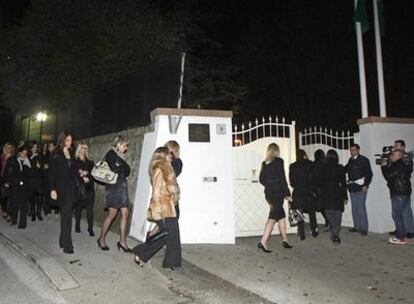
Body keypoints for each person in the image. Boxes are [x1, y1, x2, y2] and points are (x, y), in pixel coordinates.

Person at [132, 147, 181, 270]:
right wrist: (174, 194)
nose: (171, 156)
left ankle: (171, 262)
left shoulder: (160, 168)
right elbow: (161, 191)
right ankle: (140, 252)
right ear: (163, 155)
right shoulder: (163, 168)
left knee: (172, 235)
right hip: (163, 207)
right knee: (168, 234)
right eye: (169, 154)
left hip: (165, 206)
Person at [98, 135, 131, 252]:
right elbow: (114, 169)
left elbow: (127, 171)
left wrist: (121, 166)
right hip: (114, 188)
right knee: (112, 215)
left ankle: (122, 241)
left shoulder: (121, 156)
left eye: (126, 145)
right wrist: (121, 167)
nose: (126, 148)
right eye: (124, 145)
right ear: (118, 144)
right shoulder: (111, 154)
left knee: (125, 213)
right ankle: (101, 239)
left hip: (122, 187)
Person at [258, 143, 293, 252]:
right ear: (276, 151)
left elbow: (261, 179)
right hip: (277, 193)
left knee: (281, 215)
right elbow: (282, 178)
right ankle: (263, 242)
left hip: (269, 194)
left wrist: (269, 184)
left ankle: (285, 240)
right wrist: (287, 194)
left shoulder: (264, 164)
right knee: (273, 217)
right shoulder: (279, 161)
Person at [49, 131, 77, 254]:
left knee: (67, 216)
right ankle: (67, 245)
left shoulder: (71, 152)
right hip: (60, 188)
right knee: (66, 216)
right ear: (62, 140)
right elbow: (51, 174)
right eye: (67, 140)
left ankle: (62, 240)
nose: (70, 142)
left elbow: (73, 170)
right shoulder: (55, 153)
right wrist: (52, 189)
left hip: (71, 188)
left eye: (71, 140)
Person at [381, 149, 412, 245]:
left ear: (399, 155)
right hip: (403, 192)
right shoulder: (403, 163)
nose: (391, 157)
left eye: (393, 155)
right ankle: (402, 235)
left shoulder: (398, 165)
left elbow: (388, 176)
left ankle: (400, 237)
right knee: (400, 214)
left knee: (396, 215)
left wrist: (384, 166)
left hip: (399, 193)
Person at [289, 149, 318, 240]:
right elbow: (314, 179)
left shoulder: (293, 166)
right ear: (305, 155)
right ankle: (314, 231)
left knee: (298, 212)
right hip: (308, 191)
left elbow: (292, 182)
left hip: (298, 192)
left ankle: (302, 234)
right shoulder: (311, 164)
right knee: (312, 212)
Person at [345, 144, 373, 236]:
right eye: (351, 150)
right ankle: (356, 227)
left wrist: (366, 185)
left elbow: (369, 174)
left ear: (358, 150)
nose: (351, 152)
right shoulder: (350, 160)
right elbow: (345, 169)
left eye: (353, 150)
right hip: (352, 187)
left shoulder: (364, 160)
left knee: (361, 208)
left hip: (361, 187)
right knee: (354, 209)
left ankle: (364, 229)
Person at [389, 140, 414, 238]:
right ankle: (400, 229)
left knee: (405, 211)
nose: (394, 147)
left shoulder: (406, 159)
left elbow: (406, 171)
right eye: (394, 146)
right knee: (398, 211)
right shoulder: (398, 158)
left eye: (396, 146)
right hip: (396, 188)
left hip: (402, 189)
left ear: (403, 147)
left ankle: (409, 230)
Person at [322, 150, 348, 245]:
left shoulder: (324, 167)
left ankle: (334, 232)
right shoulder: (340, 167)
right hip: (337, 192)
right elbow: (343, 183)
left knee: (329, 213)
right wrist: (345, 196)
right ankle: (336, 233)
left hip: (327, 192)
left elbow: (321, 182)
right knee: (337, 213)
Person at [4, 143, 31, 229]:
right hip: (15, 185)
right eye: (23, 152)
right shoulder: (13, 160)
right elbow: (9, 172)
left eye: (26, 152)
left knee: (23, 205)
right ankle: (14, 220)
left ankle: (22, 224)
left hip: (25, 186)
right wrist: (7, 181)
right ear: (19, 152)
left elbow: (30, 175)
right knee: (14, 204)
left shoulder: (28, 162)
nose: (24, 154)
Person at [74, 143, 95, 237]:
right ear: (79, 149)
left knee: (90, 209)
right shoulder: (75, 161)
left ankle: (90, 228)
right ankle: (77, 224)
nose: (84, 150)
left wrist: (87, 175)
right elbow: (73, 175)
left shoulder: (90, 161)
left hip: (89, 188)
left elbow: (93, 174)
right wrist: (81, 177)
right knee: (78, 208)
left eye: (85, 148)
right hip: (79, 188)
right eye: (82, 148)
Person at [312, 149, 329, 229]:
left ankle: (327, 220)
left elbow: (312, 177)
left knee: (319, 206)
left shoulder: (313, 164)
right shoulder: (326, 164)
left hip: (316, 188)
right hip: (325, 187)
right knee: (324, 207)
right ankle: (327, 221)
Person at [29, 141, 44, 221]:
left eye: (35, 147)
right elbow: (28, 168)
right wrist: (32, 158)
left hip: (38, 179)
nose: (34, 148)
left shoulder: (40, 155)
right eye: (33, 147)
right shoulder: (28, 156)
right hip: (31, 180)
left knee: (40, 196)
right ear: (30, 148)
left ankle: (38, 213)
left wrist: (39, 165)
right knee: (31, 197)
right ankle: (33, 213)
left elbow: (41, 166)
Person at [1, 143, 15, 222]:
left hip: (10, 179)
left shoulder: (14, 157)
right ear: (5, 148)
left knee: (10, 197)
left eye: (10, 147)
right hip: (2, 179)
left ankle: (9, 214)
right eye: (7, 147)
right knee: (3, 197)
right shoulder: (2, 157)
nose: (9, 149)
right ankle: (4, 211)